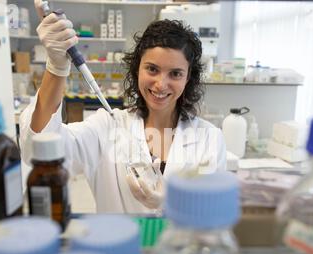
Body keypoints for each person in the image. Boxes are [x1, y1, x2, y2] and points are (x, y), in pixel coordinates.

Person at [20, 0, 227, 213]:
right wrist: (57, 66)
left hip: (180, 246)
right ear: (137, 70)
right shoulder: (106, 127)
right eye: (152, 69)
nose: (161, 84)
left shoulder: (209, 138)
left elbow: (214, 211)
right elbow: (38, 150)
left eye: (175, 73)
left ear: (188, 78)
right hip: (118, 244)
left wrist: (171, 202)